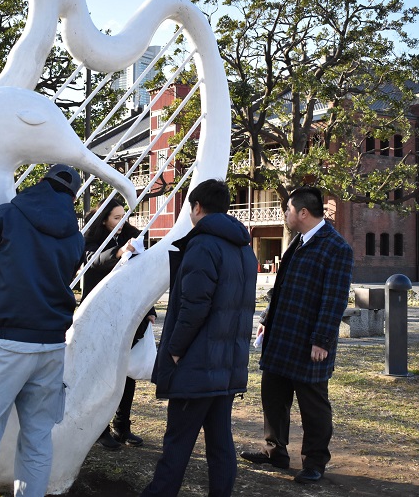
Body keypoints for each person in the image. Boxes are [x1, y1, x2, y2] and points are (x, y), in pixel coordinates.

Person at [0, 164, 84, 497]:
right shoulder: (74, 236)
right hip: (52, 347)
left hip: (7, 343)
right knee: (38, 439)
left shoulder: (6, 216)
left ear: (41, 183)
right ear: (73, 197)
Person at [141, 178, 257, 497]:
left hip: (197, 363)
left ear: (197, 207)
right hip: (227, 364)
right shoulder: (244, 250)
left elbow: (194, 306)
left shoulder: (203, 245)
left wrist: (174, 350)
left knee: (177, 443)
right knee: (220, 443)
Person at [240, 186, 353, 485]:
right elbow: (282, 286)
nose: (285, 214)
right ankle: (274, 451)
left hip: (309, 342)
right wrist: (266, 320)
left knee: (313, 406)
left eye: (288, 209)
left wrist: (322, 340)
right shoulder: (298, 240)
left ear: (303, 212)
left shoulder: (336, 247)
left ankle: (314, 462)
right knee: (273, 397)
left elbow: (334, 299)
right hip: (282, 336)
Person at [81, 199, 157, 450]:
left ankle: (122, 425)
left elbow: (142, 275)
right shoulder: (91, 238)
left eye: (124, 216)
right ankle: (99, 429)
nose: (121, 221)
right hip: (100, 313)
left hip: (128, 311)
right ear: (104, 219)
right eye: (116, 217)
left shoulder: (133, 236)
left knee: (127, 370)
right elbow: (93, 259)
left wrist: (149, 309)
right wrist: (118, 252)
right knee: (102, 372)